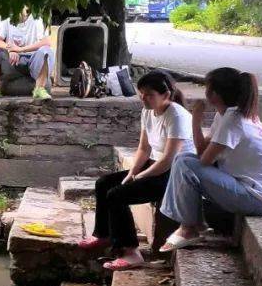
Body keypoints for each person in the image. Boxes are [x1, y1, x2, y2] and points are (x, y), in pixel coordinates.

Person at [79, 71, 194, 270]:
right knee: (104, 183)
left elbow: (168, 160)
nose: (143, 98)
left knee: (117, 195)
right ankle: (104, 235)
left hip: (176, 173)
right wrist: (133, 172)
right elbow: (144, 148)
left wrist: (141, 176)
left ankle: (131, 252)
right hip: (155, 165)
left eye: (149, 94)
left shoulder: (176, 115)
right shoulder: (148, 111)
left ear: (165, 95)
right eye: (141, 93)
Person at [160, 67, 262, 251]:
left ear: (214, 94)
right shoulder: (227, 115)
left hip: (256, 198)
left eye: (207, 87)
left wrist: (196, 121)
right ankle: (193, 225)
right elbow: (201, 152)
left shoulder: (233, 121)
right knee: (183, 158)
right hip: (247, 189)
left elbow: (203, 161)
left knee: (184, 162)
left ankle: (188, 228)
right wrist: (196, 121)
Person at [0, 8, 54, 101]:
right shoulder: (6, 20)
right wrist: (10, 49)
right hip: (13, 61)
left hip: (32, 59)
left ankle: (40, 89)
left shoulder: (36, 20)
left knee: (46, 50)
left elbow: (46, 41)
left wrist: (21, 49)